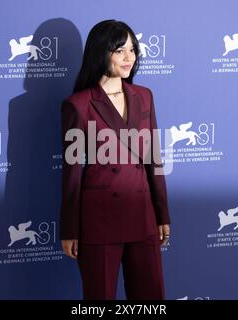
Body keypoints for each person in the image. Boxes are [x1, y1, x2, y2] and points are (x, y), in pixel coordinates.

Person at [59, 19, 171, 300]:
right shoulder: (79, 104)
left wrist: (161, 214)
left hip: (143, 215)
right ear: (101, 52)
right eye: (119, 50)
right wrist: (70, 228)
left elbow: (153, 159)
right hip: (99, 220)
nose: (128, 58)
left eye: (132, 50)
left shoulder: (144, 97)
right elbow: (72, 172)